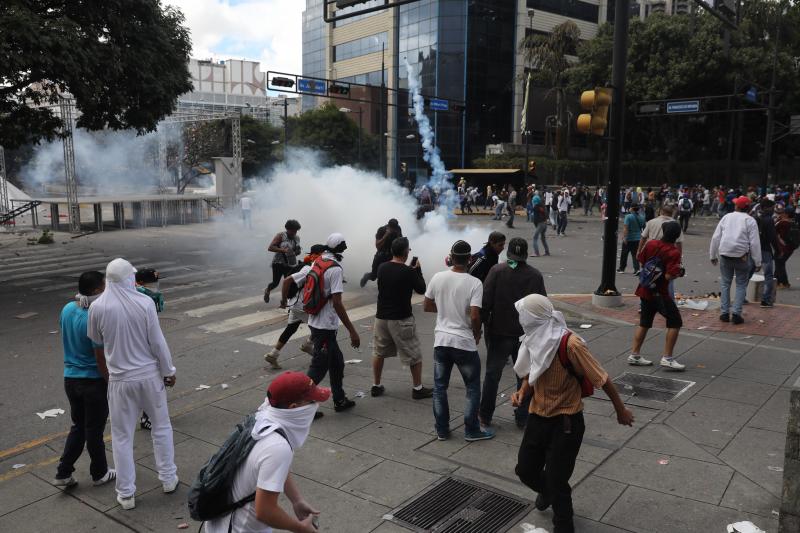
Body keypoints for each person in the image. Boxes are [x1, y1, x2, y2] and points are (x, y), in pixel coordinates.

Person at [512, 294, 634, 533]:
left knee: (558, 481)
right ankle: (546, 492)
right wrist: (523, 392)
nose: (521, 320)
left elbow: (602, 378)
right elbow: (533, 372)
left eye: (523, 315)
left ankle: (564, 525)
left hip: (566, 422)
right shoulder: (533, 339)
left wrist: (621, 410)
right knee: (525, 470)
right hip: (538, 416)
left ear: (535, 318)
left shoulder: (571, 344)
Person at [87, 259, 178, 510]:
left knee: (121, 437)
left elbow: (97, 348)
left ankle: (126, 494)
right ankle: (168, 478)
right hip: (149, 376)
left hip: (119, 380)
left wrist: (110, 379)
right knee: (161, 427)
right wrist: (168, 370)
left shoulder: (98, 307)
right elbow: (157, 342)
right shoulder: (144, 302)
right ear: (129, 278)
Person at [204, 371, 326, 533]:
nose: (315, 405)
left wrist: (296, 500)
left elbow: (272, 467)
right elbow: (265, 511)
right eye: (312, 402)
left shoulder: (264, 418)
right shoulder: (277, 446)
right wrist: (302, 528)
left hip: (225, 522)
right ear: (294, 408)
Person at [424, 240, 495, 442]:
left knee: (439, 388)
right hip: (463, 342)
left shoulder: (438, 277)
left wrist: (447, 310)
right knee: (472, 388)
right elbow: (474, 315)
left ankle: (442, 430)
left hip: (442, 341)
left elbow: (428, 306)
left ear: (451, 257)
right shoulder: (474, 283)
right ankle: (472, 430)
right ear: (469, 259)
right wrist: (478, 332)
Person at [52, 271, 116, 488]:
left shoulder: (67, 309)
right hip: (93, 381)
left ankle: (63, 472)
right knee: (94, 430)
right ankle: (100, 473)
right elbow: (101, 356)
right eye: (105, 287)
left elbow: (64, 333)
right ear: (98, 290)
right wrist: (109, 381)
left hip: (70, 379)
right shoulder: (95, 316)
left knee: (79, 426)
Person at [480, 238, 546, 429]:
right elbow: (542, 307)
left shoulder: (497, 271)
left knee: (492, 375)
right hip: (524, 335)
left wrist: (485, 325)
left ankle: (485, 415)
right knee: (525, 376)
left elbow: (485, 302)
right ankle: (522, 416)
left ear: (509, 254)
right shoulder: (535, 275)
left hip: (499, 332)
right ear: (525, 254)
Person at [294, 234, 360, 412]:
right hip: (325, 326)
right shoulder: (335, 269)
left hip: (316, 321)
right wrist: (353, 331)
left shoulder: (319, 260)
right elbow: (337, 303)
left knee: (336, 363)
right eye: (344, 246)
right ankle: (300, 407)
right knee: (318, 369)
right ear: (340, 248)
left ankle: (339, 399)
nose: (346, 248)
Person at [371, 237, 432, 399]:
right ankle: (418, 389)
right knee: (414, 355)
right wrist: (417, 270)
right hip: (401, 319)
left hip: (381, 318)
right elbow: (421, 289)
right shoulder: (408, 271)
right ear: (405, 252)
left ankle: (376, 385)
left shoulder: (382, 268)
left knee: (379, 352)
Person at [628, 221, 687, 370]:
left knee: (645, 322)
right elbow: (668, 276)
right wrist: (678, 272)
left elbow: (641, 260)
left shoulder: (651, 244)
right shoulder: (673, 252)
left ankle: (634, 354)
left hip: (644, 289)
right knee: (675, 321)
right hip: (660, 293)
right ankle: (667, 357)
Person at [266, 245, 327, 370]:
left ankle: (273, 354)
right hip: (301, 305)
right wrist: (283, 300)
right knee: (321, 327)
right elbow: (287, 281)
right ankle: (313, 351)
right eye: (323, 254)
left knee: (291, 328)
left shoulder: (311, 266)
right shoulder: (307, 269)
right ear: (315, 255)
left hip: (295, 304)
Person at [709, 196, 762, 325]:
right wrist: (758, 261)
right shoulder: (750, 220)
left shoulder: (726, 217)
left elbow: (716, 237)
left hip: (725, 254)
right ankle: (737, 314)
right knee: (741, 284)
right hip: (741, 256)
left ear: (737, 206)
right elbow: (754, 243)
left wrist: (712, 255)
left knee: (725, 284)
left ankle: (724, 313)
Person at [134, 267, 165, 431]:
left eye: (156, 283)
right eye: (151, 284)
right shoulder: (138, 299)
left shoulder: (151, 297)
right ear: (139, 283)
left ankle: (148, 415)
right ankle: (147, 417)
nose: (155, 287)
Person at [264, 220, 302, 303]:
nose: (294, 233)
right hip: (278, 263)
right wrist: (283, 250)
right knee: (275, 283)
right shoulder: (281, 236)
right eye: (293, 230)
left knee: (289, 283)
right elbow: (270, 248)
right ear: (288, 229)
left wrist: (297, 251)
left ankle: (287, 301)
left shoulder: (297, 238)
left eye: (296, 231)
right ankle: (268, 290)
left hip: (290, 264)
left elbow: (298, 251)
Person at [360, 219, 403, 287]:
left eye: (395, 228)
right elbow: (377, 245)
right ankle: (366, 276)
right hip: (381, 255)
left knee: (390, 275)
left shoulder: (398, 229)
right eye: (392, 228)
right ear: (388, 226)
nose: (393, 230)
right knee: (374, 276)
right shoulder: (382, 230)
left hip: (391, 255)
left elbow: (400, 240)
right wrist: (385, 236)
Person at [756, 199, 780, 308]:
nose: (773, 210)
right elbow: (772, 237)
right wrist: (777, 250)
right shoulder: (768, 220)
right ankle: (765, 300)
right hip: (765, 249)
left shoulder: (756, 217)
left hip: (755, 249)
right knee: (768, 275)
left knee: (749, 272)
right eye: (772, 208)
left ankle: (742, 296)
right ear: (766, 207)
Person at [618, 205, 645, 275]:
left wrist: (625, 237)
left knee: (624, 254)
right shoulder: (642, 217)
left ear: (632, 209)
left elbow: (625, 228)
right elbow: (644, 228)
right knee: (635, 254)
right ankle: (637, 269)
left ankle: (622, 268)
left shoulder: (628, 216)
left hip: (629, 238)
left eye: (630, 207)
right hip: (638, 238)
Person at [776, 205, 797, 288]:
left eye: (784, 212)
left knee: (780, 263)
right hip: (791, 247)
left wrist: (778, 220)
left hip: (783, 247)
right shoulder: (794, 222)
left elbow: (774, 229)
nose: (782, 213)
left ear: (787, 214)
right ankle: (777, 281)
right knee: (780, 263)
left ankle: (784, 283)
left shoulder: (783, 223)